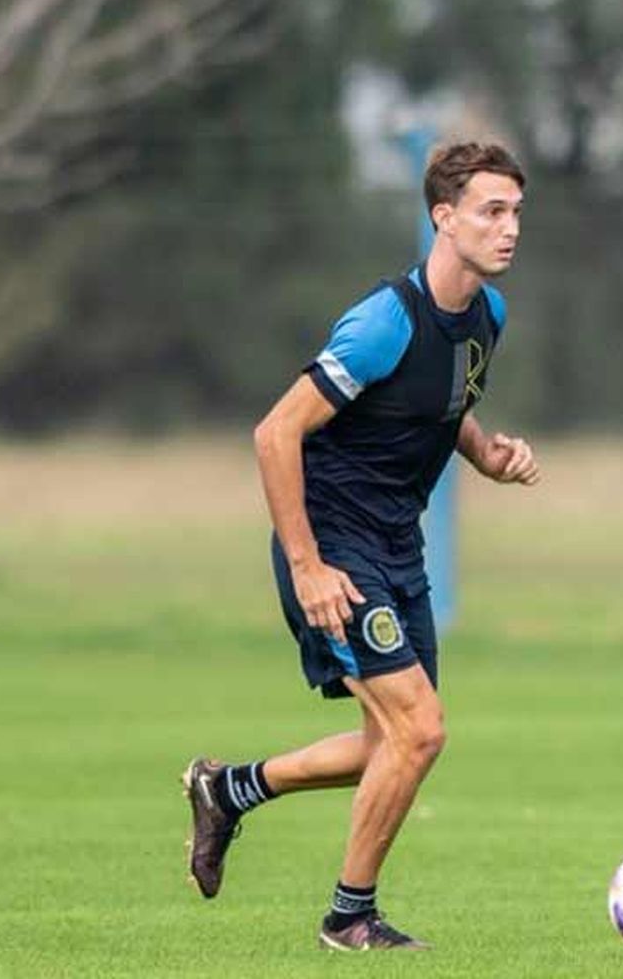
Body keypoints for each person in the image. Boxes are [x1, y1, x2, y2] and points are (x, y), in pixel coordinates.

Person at [182, 141, 540, 952]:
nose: (510, 227)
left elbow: (446, 407)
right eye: (492, 210)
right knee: (421, 732)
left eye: (516, 211)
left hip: (395, 546)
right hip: (335, 548)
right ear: (442, 219)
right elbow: (275, 434)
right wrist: (308, 566)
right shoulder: (384, 321)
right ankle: (350, 917)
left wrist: (490, 456)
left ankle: (228, 790)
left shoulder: (490, 314)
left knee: (390, 748)